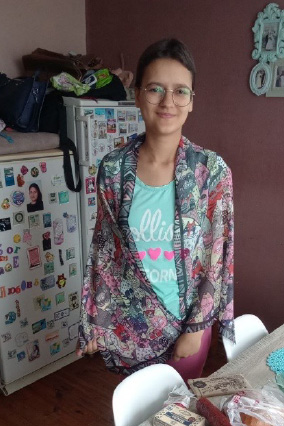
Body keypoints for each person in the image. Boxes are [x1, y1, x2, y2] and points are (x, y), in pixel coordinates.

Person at [76, 38, 234, 381]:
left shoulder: (210, 171)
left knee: (181, 408)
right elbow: (105, 251)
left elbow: (216, 259)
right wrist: (96, 319)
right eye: (155, 89)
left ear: (192, 101)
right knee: (139, 412)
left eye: (180, 91)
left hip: (186, 328)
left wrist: (195, 328)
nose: (168, 101)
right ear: (137, 95)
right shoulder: (113, 169)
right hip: (129, 329)